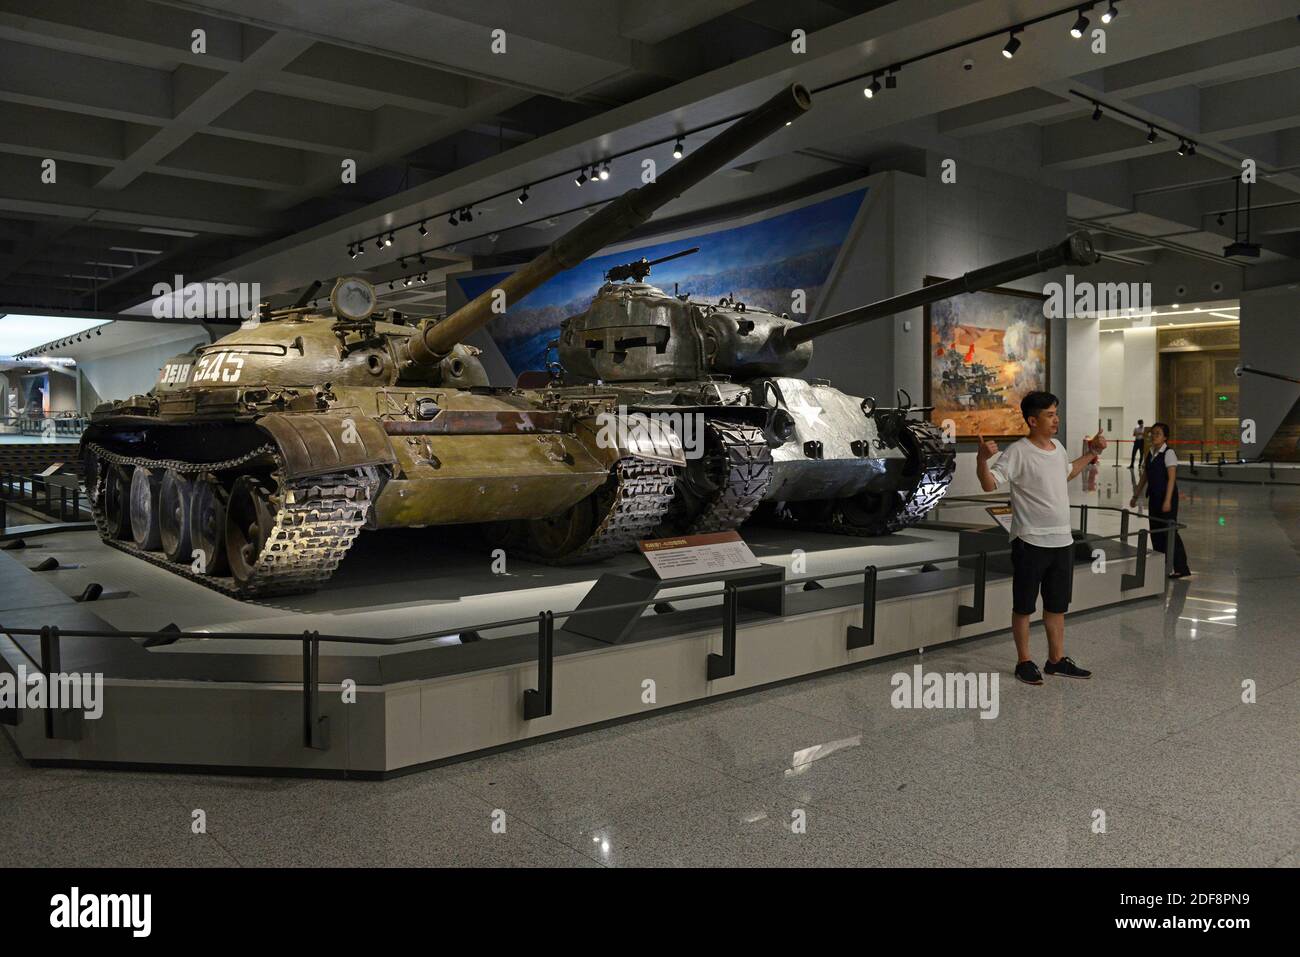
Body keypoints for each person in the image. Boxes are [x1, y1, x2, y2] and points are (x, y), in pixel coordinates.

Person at [975, 391, 1105, 685]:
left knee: (1057, 606)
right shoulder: (1018, 452)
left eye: (1056, 413)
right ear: (1032, 421)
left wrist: (1093, 452)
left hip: (1062, 541)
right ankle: (1024, 661)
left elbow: (1067, 473)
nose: (1056, 419)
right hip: (1030, 541)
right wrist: (982, 459)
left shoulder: (1057, 448)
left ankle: (1056, 660)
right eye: (1049, 414)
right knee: (1023, 606)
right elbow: (988, 483)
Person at [1130, 422, 1191, 578]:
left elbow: (1171, 479)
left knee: (1170, 532)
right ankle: (1161, 565)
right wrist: (1135, 495)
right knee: (1155, 532)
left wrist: (1168, 500)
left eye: (1158, 434)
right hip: (1154, 497)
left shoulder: (1169, 453)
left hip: (1167, 497)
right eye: (1153, 433)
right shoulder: (1150, 452)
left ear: (1165, 437)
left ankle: (1181, 567)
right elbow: (1145, 476)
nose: (1153, 436)